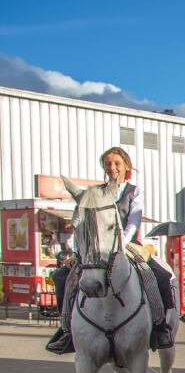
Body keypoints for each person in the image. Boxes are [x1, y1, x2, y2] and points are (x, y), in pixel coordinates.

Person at [47, 147, 174, 354]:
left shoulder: (134, 191)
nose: (112, 167)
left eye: (117, 163)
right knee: (62, 277)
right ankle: (66, 330)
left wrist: (119, 246)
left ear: (126, 166)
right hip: (95, 249)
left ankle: (160, 327)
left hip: (127, 244)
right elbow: (80, 222)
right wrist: (75, 251)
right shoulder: (93, 193)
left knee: (160, 275)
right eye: (108, 164)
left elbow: (133, 222)